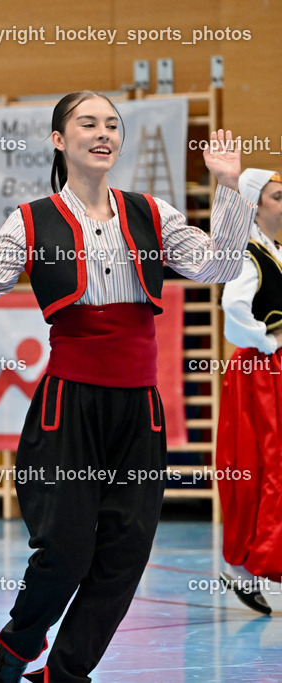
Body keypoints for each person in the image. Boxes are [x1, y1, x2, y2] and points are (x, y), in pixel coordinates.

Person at [0, 91, 255, 682]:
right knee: (64, 553)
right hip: (67, 406)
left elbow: (219, 267)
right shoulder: (32, 219)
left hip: (140, 409)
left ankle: (64, 673)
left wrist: (228, 187)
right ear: (58, 140)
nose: (104, 133)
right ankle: (16, 649)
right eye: (88, 123)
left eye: (113, 125)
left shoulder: (153, 212)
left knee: (125, 556)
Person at [216, 168, 282, 615]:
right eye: (278, 197)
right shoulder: (248, 253)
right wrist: (266, 341)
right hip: (262, 370)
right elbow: (232, 307)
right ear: (257, 206)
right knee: (260, 462)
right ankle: (247, 562)